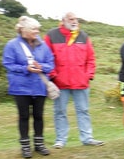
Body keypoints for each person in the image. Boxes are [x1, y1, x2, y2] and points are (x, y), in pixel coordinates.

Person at [44, 12, 104, 148]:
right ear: (63, 20)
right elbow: (46, 57)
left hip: (81, 83)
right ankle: (60, 140)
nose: (74, 21)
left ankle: (87, 138)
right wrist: (53, 76)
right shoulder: (51, 35)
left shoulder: (83, 36)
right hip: (60, 83)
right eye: (71, 19)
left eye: (75, 19)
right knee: (59, 111)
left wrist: (88, 75)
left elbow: (91, 58)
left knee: (83, 110)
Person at [2, 16, 55, 158]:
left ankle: (39, 144)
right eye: (34, 29)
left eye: (38, 28)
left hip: (39, 86)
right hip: (20, 87)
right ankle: (25, 146)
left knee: (39, 115)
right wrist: (26, 68)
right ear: (23, 30)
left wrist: (41, 66)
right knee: (24, 116)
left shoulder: (43, 45)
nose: (37, 31)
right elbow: (8, 64)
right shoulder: (12, 45)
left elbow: (51, 63)